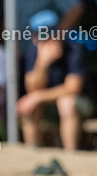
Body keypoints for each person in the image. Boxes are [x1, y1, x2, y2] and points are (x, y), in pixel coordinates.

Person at [18, 9, 89, 150]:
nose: (47, 40)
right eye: (41, 36)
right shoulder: (33, 52)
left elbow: (73, 88)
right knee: (29, 107)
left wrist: (37, 97)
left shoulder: (74, 49)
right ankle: (32, 155)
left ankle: (71, 155)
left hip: (80, 103)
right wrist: (41, 65)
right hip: (48, 104)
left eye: (50, 34)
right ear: (34, 38)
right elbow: (31, 87)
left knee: (66, 103)